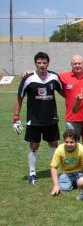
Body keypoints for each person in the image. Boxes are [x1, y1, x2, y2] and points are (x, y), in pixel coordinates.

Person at [13, 52, 63, 185]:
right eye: (39, 63)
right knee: (34, 145)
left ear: (48, 63)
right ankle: (32, 173)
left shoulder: (54, 77)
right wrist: (16, 118)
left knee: (54, 144)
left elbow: (64, 93)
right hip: (34, 120)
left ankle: (55, 170)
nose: (42, 65)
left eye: (44, 62)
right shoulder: (28, 78)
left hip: (51, 118)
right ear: (35, 63)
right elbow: (19, 97)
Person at [59, 55, 83, 140]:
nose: (77, 65)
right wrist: (30, 73)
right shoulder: (63, 76)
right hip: (72, 119)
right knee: (72, 144)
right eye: (75, 63)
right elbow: (49, 77)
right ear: (71, 65)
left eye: (79, 63)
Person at [50, 130, 83, 196]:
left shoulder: (81, 149)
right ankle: (73, 183)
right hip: (65, 173)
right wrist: (56, 185)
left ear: (76, 142)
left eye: (71, 142)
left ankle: (76, 182)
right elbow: (53, 167)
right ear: (64, 141)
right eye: (66, 142)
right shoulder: (59, 149)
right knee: (64, 188)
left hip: (79, 172)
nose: (68, 144)